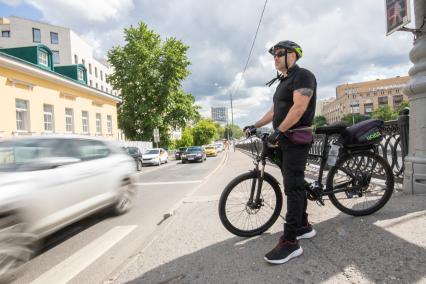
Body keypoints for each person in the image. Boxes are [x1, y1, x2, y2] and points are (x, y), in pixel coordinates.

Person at [244, 40, 317, 265]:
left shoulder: (303, 76)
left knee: (293, 187)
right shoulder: (283, 82)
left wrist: (280, 130)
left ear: (292, 55)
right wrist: (255, 125)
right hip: (285, 138)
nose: (274, 58)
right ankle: (303, 225)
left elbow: (299, 108)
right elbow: (275, 110)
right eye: (273, 55)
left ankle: (291, 241)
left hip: (296, 138)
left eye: (279, 54)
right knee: (294, 182)